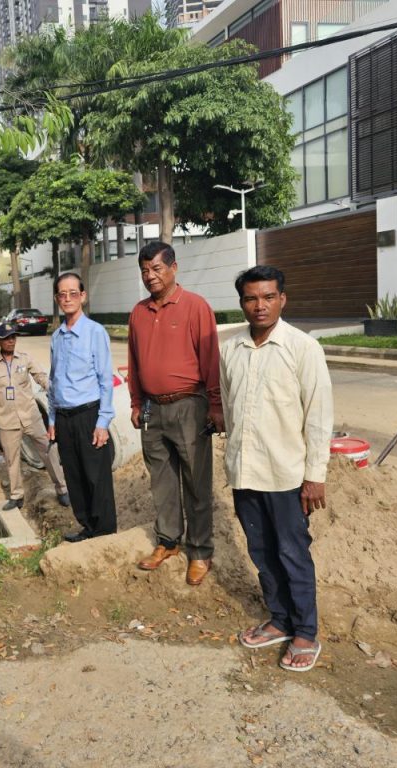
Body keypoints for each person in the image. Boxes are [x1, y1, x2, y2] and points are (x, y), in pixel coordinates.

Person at [220, 266, 333, 673]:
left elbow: (318, 416)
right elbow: (230, 409)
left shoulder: (303, 348)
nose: (260, 305)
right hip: (245, 472)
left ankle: (305, 631)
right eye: (251, 298)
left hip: (286, 475)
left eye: (268, 297)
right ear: (242, 303)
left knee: (292, 553)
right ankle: (280, 619)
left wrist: (315, 475)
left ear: (282, 299)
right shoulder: (230, 349)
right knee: (262, 552)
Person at [128, 241, 223, 586]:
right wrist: (136, 403)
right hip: (152, 409)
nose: (150, 276)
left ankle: (199, 551)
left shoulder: (195, 306)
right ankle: (168, 541)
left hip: (189, 406)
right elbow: (134, 361)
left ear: (173, 268)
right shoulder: (139, 312)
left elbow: (210, 359)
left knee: (196, 482)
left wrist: (215, 405)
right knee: (162, 481)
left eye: (156, 268)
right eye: (144, 270)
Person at [46, 272, 117, 542]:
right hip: (64, 419)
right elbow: (53, 381)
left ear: (83, 297)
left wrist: (103, 422)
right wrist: (52, 418)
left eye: (73, 293)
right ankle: (87, 527)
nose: (68, 299)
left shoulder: (95, 332)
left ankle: (105, 533)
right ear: (57, 299)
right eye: (62, 294)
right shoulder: (56, 337)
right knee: (74, 476)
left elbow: (105, 380)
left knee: (96, 477)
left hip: (89, 414)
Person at [0, 322, 69, 510]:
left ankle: (62, 489)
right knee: (12, 459)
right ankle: (16, 496)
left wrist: (53, 390)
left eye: (13, 337)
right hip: (7, 421)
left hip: (31, 416)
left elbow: (41, 376)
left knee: (48, 451)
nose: (11, 341)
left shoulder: (25, 359)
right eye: (6, 338)